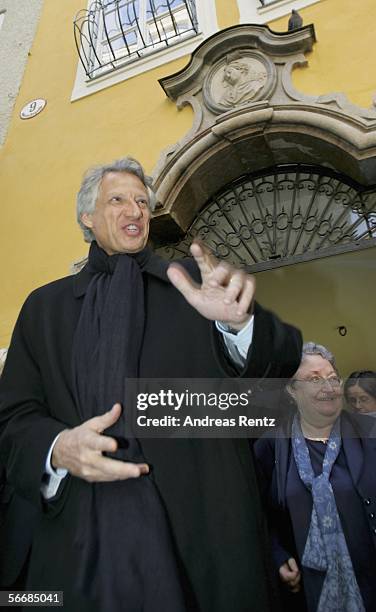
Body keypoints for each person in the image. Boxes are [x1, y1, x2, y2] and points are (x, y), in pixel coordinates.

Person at [0, 157, 302, 612]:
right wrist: (57, 447)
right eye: (118, 199)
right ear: (87, 217)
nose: (135, 211)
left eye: (142, 201)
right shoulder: (44, 308)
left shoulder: (192, 286)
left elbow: (279, 364)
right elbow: (13, 419)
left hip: (201, 534)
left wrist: (238, 326)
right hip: (77, 542)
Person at [255, 342, 376, 612]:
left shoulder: (370, 432)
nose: (329, 387)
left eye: (333, 378)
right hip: (309, 587)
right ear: (291, 389)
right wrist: (277, 555)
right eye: (314, 379)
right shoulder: (270, 446)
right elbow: (259, 513)